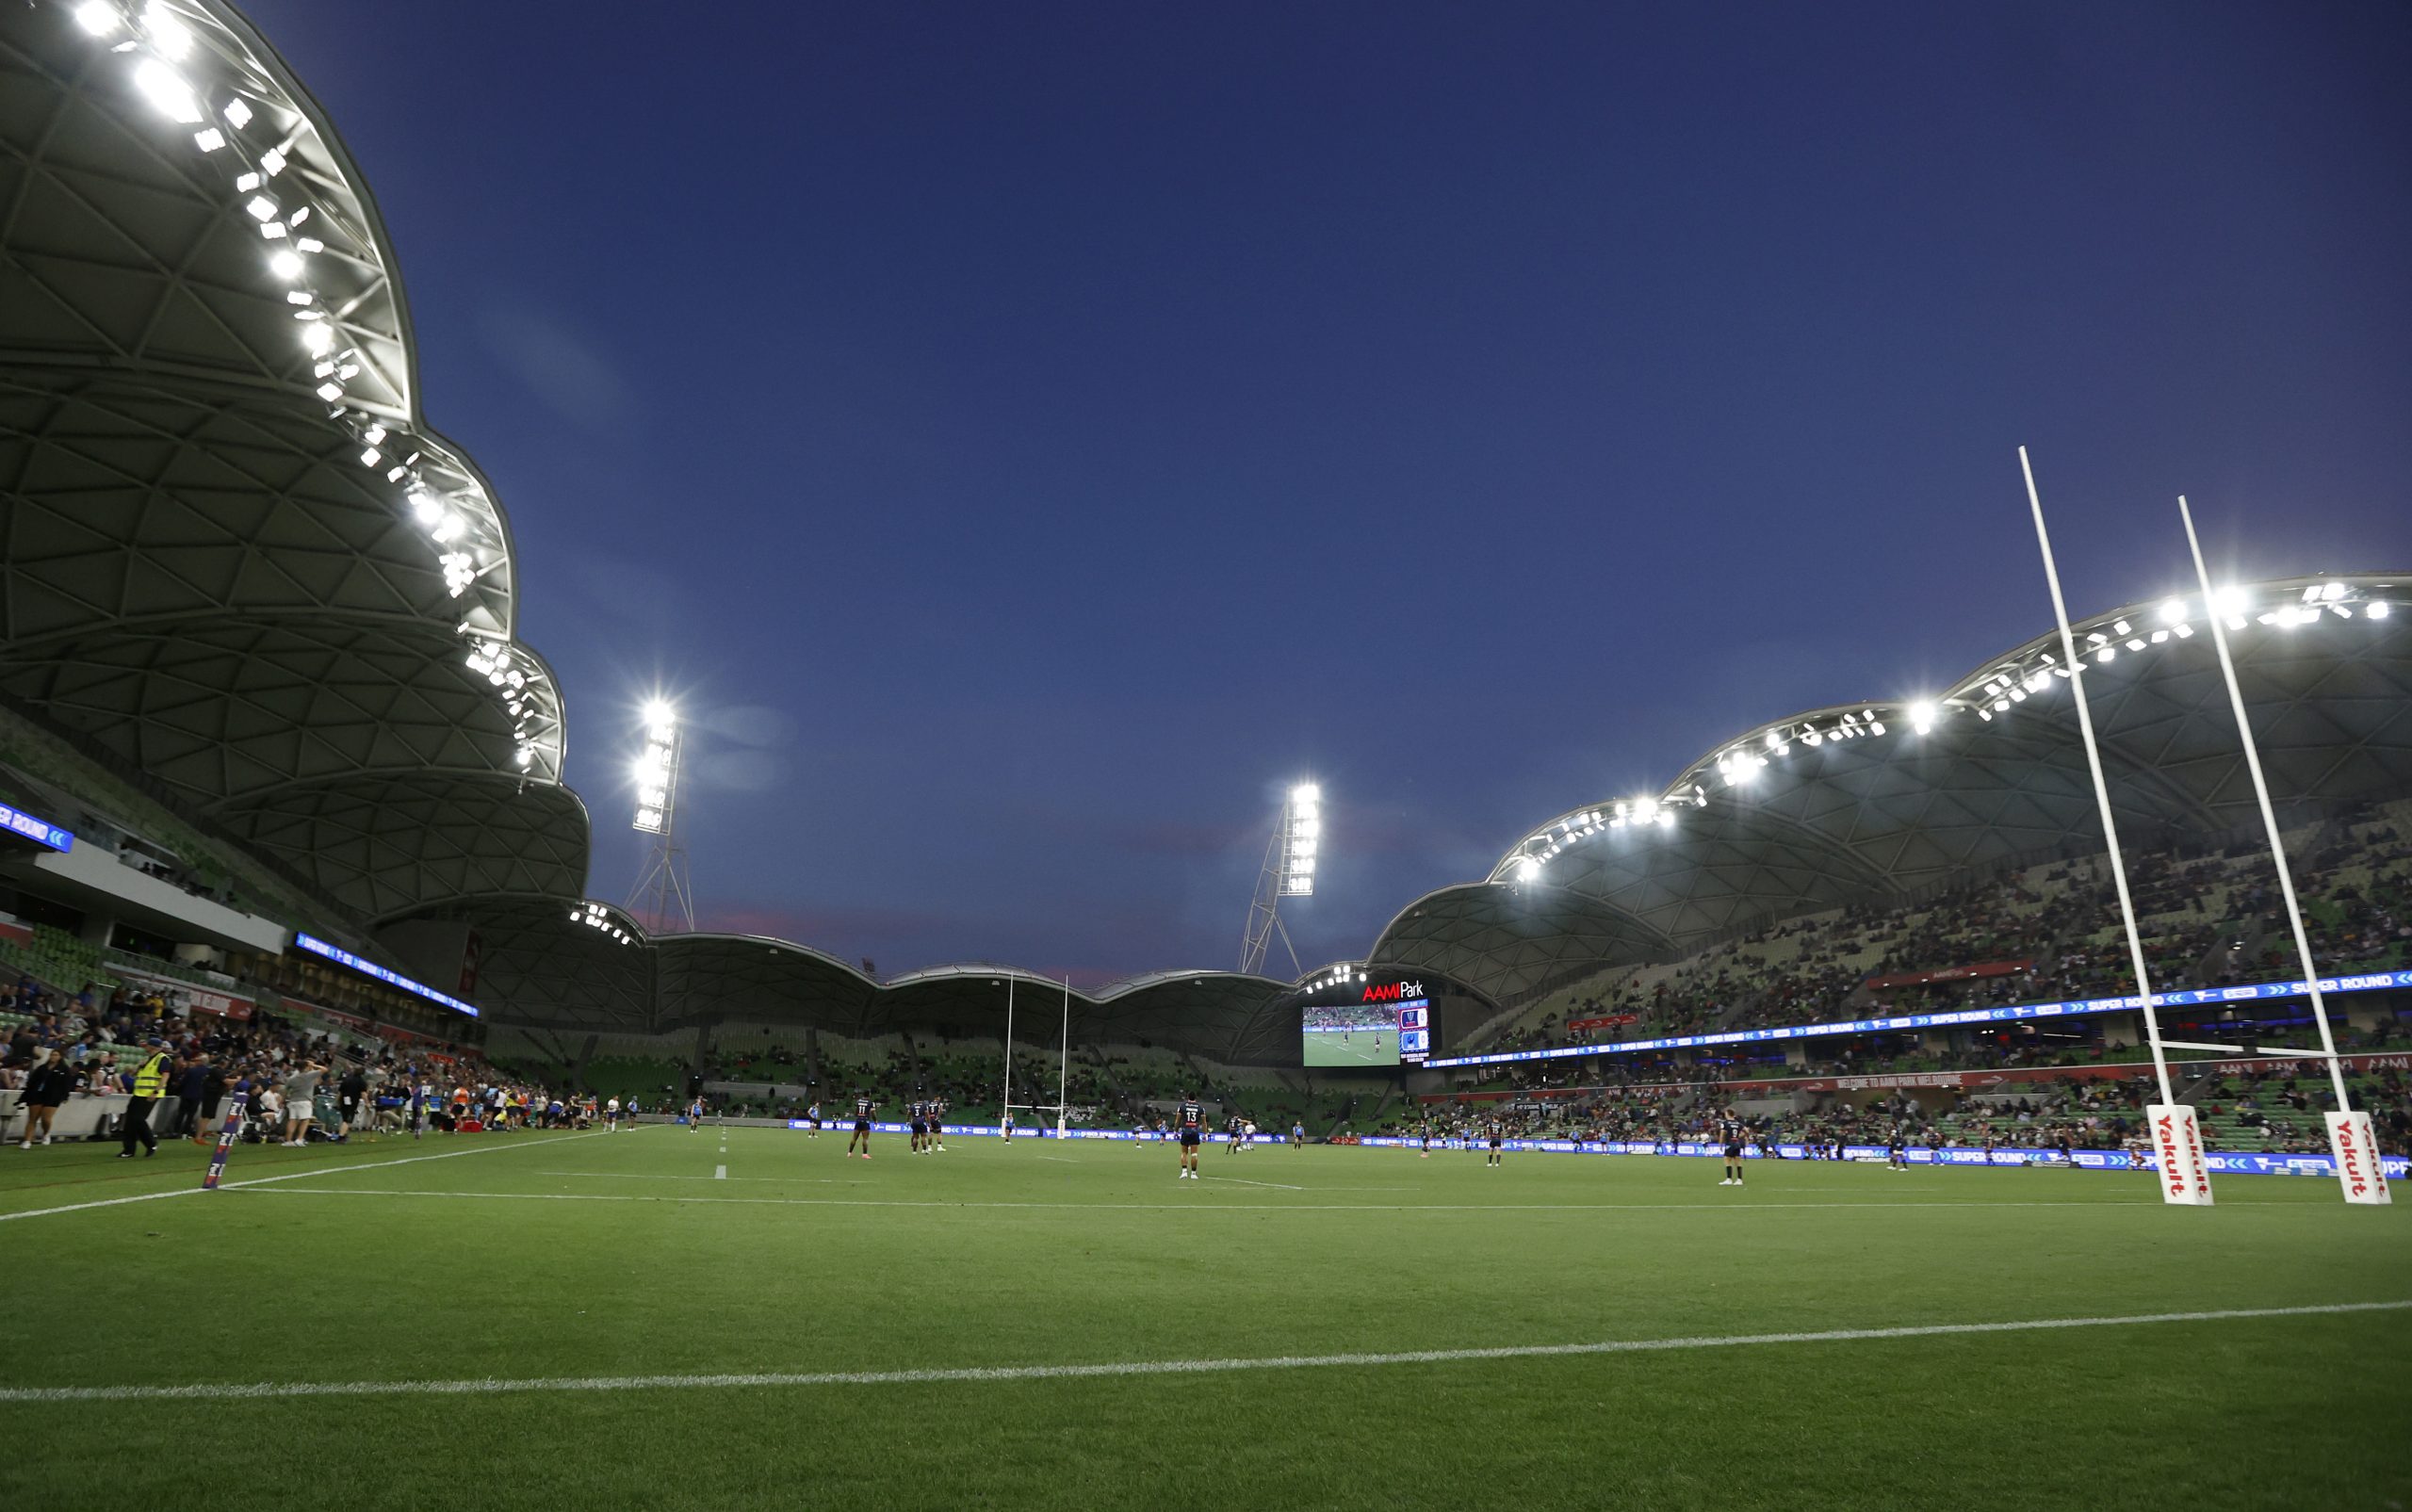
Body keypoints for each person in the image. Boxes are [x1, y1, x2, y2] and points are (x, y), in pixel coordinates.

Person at [119, 1038, 172, 1159]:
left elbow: (165, 1076)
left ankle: (151, 1143)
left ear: (153, 1047)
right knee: (130, 1121)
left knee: (137, 1119)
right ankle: (129, 1150)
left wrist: (155, 1091)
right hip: (139, 1093)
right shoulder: (148, 1059)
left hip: (150, 1094)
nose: (145, 1047)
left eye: (147, 1045)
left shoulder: (163, 1059)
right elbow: (135, 1075)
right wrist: (138, 1067)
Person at [17, 1052, 73, 1148]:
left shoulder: (64, 1069)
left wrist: (65, 1096)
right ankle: (27, 1140)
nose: (53, 1057)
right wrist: (26, 1094)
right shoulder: (42, 1068)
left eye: (56, 1055)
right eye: (52, 1055)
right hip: (37, 1094)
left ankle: (46, 1133)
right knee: (32, 1119)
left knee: (46, 1118)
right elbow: (32, 1082)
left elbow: (66, 1084)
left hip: (53, 1096)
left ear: (60, 1057)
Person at [282, 1060, 323, 1146]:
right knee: (305, 1120)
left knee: (292, 1120)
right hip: (305, 1101)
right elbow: (325, 1069)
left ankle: (288, 1141)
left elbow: (285, 1091)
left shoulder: (291, 1078)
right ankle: (299, 1139)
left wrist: (282, 1100)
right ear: (306, 1067)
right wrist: (314, 1065)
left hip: (293, 1101)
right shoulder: (309, 1075)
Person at [1175, 1092, 1204, 1179]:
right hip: (1195, 1132)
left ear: (1187, 1097)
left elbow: (1177, 1120)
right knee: (1194, 1154)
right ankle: (1193, 1174)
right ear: (1196, 1097)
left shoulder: (1182, 1106)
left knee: (1184, 1152)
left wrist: (1175, 1131)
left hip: (1185, 1131)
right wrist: (1205, 1133)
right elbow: (1204, 1122)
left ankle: (1184, 1172)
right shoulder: (1200, 1107)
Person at [336, 1065, 368, 1143]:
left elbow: (340, 1092)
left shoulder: (346, 1079)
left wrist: (337, 1101)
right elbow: (363, 1094)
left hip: (343, 1101)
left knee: (345, 1118)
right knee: (348, 1120)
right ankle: (341, 1137)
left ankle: (344, 1135)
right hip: (352, 1102)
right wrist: (367, 1103)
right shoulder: (361, 1081)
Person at [1717, 1109, 1746, 1186]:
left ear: (1728, 1114)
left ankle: (1729, 1179)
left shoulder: (1725, 1123)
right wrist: (1737, 1137)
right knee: (1738, 1161)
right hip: (1737, 1143)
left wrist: (1720, 1145)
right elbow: (1746, 1131)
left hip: (1730, 1143)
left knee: (1727, 1160)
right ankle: (1739, 1180)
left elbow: (1722, 1134)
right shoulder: (1738, 1123)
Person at [848, 1089, 875, 1159]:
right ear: (869, 1094)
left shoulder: (858, 1101)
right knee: (865, 1139)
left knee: (854, 1138)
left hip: (858, 1120)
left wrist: (858, 1116)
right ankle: (864, 1154)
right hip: (865, 1121)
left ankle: (849, 1153)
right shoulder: (871, 1102)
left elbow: (856, 1112)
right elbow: (873, 1113)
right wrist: (875, 1120)